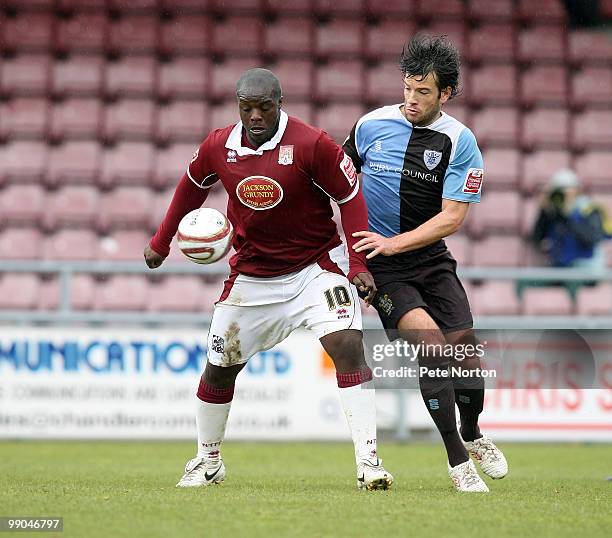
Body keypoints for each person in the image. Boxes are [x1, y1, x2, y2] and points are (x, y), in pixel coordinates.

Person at [144, 68, 393, 491]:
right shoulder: (218, 146)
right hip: (253, 274)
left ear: (280, 102)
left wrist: (358, 264)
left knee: (348, 345)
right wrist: (161, 241)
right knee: (219, 368)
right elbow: (190, 188)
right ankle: (207, 461)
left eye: (264, 107)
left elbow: (351, 199)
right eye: (247, 108)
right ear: (238, 106)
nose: (255, 116)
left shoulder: (313, 144)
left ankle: (369, 461)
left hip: (317, 267)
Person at [343, 35, 507, 492]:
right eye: (407, 88)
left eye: (423, 92)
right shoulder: (369, 126)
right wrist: (357, 256)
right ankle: (458, 462)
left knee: (467, 358)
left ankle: (473, 432)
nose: (411, 100)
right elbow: (336, 186)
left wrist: (395, 244)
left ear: (446, 93)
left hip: (430, 260)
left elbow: (452, 218)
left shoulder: (460, 141)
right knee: (432, 348)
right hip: (383, 266)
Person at [532, 168, 609, 271]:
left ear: (577, 190)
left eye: (566, 188)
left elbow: (592, 239)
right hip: (561, 266)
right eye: (558, 189)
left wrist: (567, 217)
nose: (563, 193)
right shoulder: (554, 211)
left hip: (587, 267)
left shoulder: (589, 209)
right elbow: (537, 239)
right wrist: (544, 211)